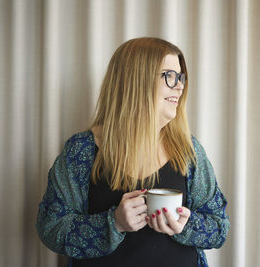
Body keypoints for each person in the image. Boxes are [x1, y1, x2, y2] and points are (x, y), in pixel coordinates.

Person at [36, 37, 230, 267]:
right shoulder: (82, 151)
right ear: (137, 80)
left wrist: (185, 226)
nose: (179, 86)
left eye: (180, 77)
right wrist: (114, 223)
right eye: (169, 76)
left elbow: (219, 227)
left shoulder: (189, 151)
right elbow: (51, 227)